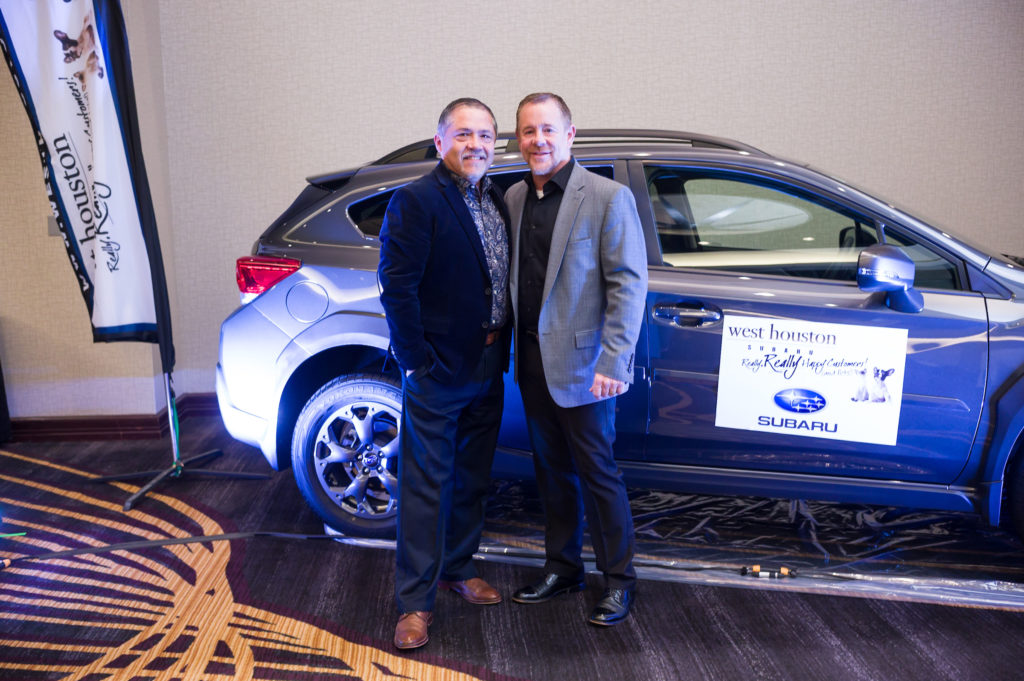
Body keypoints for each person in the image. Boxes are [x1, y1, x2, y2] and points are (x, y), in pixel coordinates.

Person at [506, 93, 648, 626]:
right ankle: (563, 568)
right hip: (531, 361)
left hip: (588, 367)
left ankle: (619, 581)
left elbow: (628, 284)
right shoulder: (515, 196)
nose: (538, 140)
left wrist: (614, 359)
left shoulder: (607, 197)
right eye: (528, 131)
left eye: (548, 129)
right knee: (551, 472)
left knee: (598, 473)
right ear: (518, 139)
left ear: (570, 134)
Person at [377, 98, 510, 650]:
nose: (475, 144)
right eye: (463, 134)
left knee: (472, 477)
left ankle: (458, 567)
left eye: (485, 135)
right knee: (425, 486)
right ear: (440, 142)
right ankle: (415, 601)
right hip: (438, 369)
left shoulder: (495, 196)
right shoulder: (416, 200)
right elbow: (397, 288)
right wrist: (415, 362)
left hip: (489, 362)